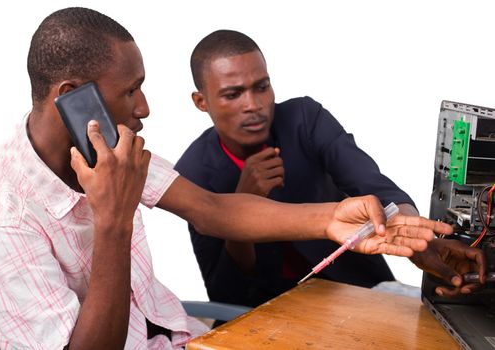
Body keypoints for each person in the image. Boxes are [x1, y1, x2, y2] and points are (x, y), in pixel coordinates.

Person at [0, 8, 457, 349]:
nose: (144, 109)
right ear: (73, 96)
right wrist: (113, 220)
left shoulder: (108, 147)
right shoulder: (1, 221)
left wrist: (332, 219)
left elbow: (212, 208)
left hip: (189, 336)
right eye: (132, 91)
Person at [175, 29, 486, 308]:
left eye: (262, 87)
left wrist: (417, 239)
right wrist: (242, 205)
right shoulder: (192, 174)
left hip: (356, 291)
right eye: (233, 94)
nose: (253, 104)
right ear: (201, 102)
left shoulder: (304, 119)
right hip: (265, 315)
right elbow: (224, 294)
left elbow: (371, 183)